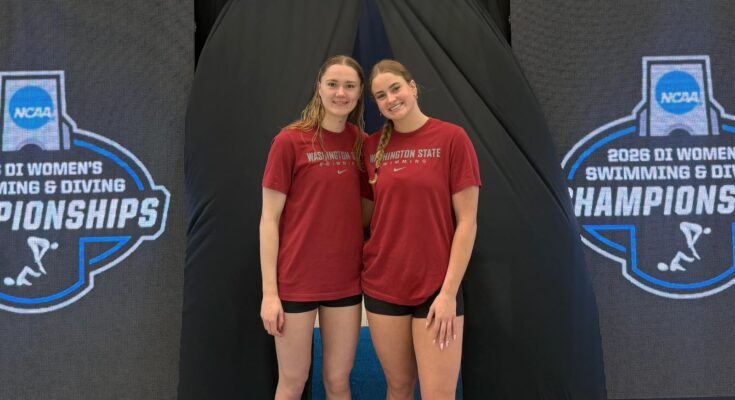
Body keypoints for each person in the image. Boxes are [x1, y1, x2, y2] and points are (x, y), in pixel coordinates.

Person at [362, 59, 481, 399]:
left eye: (395, 88)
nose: (391, 99)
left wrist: (448, 294)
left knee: (438, 394)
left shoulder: (452, 138)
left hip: (437, 287)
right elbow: (367, 215)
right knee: (398, 387)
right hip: (384, 283)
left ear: (412, 87)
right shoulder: (371, 147)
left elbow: (467, 222)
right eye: (381, 95)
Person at [259, 55, 369, 400]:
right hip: (295, 280)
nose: (340, 93)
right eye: (333, 84)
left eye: (349, 86)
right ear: (319, 86)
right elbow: (269, 219)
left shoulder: (360, 142)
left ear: (360, 92)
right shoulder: (290, 141)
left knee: (338, 380)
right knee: (293, 381)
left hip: (344, 279)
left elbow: (365, 210)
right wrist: (270, 293)